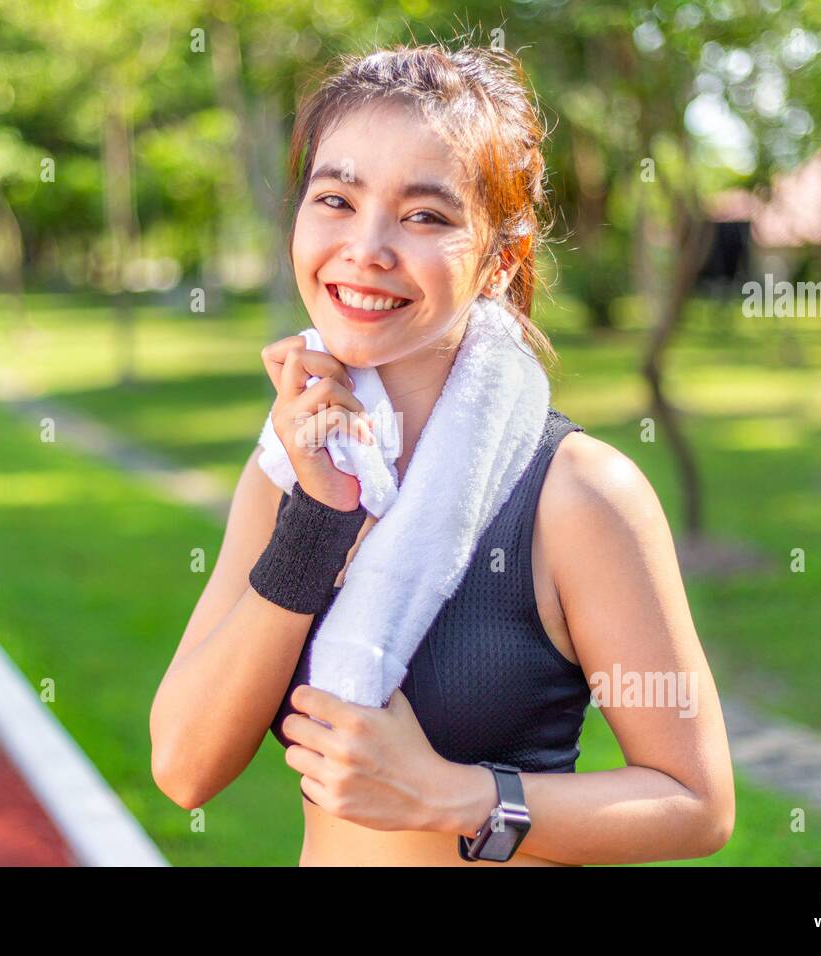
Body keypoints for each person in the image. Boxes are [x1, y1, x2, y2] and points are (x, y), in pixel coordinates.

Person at [150, 41, 734, 866]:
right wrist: (317, 523)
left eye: (426, 215)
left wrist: (453, 797)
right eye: (337, 199)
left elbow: (696, 805)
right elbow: (183, 767)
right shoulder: (291, 465)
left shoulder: (580, 493)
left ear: (501, 256)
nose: (367, 249)